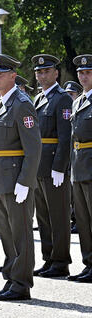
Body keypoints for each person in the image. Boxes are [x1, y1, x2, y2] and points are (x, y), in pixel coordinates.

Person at [0, 54, 42, 300]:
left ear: (13, 76)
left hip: (14, 179)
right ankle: (11, 278)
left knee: (20, 232)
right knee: (6, 233)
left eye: (0, 74)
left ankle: (21, 283)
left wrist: (25, 181)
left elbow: (33, 147)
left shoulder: (21, 103)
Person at [31, 54, 73, 278]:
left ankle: (60, 260)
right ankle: (48, 258)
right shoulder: (38, 99)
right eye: (38, 72)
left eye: (46, 71)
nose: (41, 75)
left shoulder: (62, 98)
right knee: (43, 216)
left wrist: (60, 166)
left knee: (58, 215)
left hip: (54, 166)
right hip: (39, 165)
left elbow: (65, 136)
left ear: (56, 73)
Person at [68, 55, 92, 283]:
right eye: (81, 73)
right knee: (83, 220)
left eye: (88, 73)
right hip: (78, 166)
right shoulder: (78, 102)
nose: (84, 77)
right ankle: (88, 263)